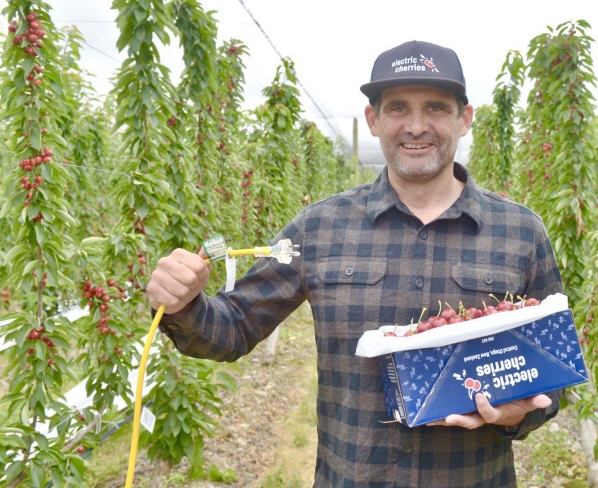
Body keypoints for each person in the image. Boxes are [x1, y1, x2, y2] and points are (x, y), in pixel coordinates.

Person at [147, 40, 564, 487]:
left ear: (465, 119)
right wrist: (184, 304)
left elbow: (554, 369)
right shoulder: (320, 228)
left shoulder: (520, 233)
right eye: (399, 108)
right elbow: (234, 328)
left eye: (437, 108)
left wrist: (514, 415)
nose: (417, 126)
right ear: (374, 120)